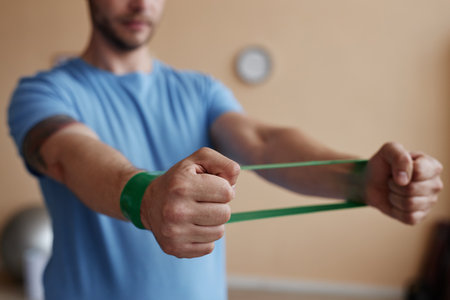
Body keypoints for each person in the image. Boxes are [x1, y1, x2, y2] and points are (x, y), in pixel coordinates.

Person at [7, 0, 443, 299]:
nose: (141, 4)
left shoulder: (199, 89)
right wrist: (146, 197)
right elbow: (70, 155)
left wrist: (360, 179)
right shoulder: (43, 92)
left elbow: (261, 141)